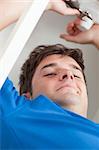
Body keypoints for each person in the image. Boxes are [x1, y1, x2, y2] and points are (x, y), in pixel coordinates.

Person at [0, 0, 99, 149]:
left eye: (76, 74)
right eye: (50, 73)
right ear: (28, 96)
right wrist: (43, 2)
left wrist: (96, 37)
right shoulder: (17, 115)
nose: (68, 75)